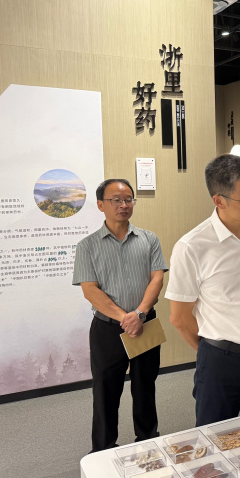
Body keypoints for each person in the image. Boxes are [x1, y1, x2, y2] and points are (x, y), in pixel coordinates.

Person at [166, 155, 240, 426]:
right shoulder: (192, 246)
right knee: (216, 440)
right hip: (220, 363)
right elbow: (180, 318)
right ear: (219, 201)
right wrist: (216, 352)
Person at [72, 179, 167, 452]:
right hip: (107, 329)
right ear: (101, 205)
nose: (123, 205)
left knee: (145, 386)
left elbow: (157, 278)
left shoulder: (149, 239)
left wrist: (139, 314)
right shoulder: (87, 246)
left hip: (145, 324)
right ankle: (103, 449)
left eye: (128, 199)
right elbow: (90, 290)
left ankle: (148, 442)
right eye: (116, 200)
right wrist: (126, 318)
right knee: (105, 391)